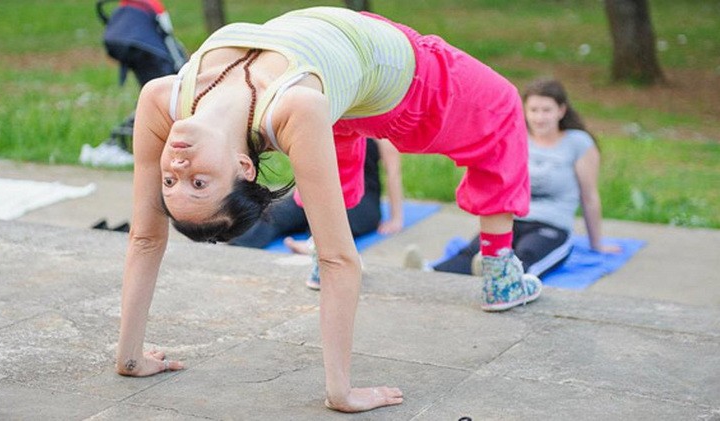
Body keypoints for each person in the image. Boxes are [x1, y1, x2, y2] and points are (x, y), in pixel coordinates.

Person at [116, 7, 540, 413]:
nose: (177, 167)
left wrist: (128, 358)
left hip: (343, 74)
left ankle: (320, 251)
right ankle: (501, 274)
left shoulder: (162, 98)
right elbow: (343, 259)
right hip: (402, 76)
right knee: (502, 105)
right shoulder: (295, 110)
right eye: (199, 183)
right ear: (243, 168)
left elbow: (145, 232)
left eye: (170, 182)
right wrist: (341, 392)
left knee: (333, 131)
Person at [430, 78, 621, 277]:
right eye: (534, 110)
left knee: (526, 256)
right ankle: (429, 271)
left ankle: (502, 277)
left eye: (546, 110)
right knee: (473, 252)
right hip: (510, 219)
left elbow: (589, 197)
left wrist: (596, 244)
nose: (539, 117)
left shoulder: (578, 143)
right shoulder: (515, 135)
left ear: (561, 111)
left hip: (551, 225)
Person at [229, 137, 404, 250]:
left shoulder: (378, 128)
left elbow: (393, 173)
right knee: (277, 215)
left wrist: (396, 218)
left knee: (339, 222)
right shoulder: (330, 120)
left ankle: (313, 247)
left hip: (361, 199)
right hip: (320, 194)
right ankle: (238, 240)